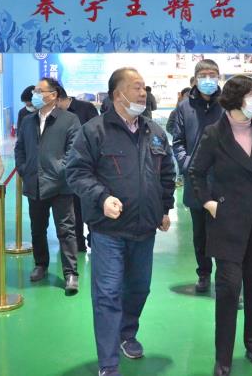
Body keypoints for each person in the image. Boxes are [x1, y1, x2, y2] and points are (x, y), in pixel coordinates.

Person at [66, 67, 175, 376]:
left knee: (139, 289)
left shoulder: (154, 131)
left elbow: (167, 173)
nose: (143, 93)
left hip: (145, 228)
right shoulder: (94, 131)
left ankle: (127, 333)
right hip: (108, 231)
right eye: (136, 87)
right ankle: (108, 363)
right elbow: (76, 172)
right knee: (108, 294)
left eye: (144, 87)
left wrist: (165, 208)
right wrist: (101, 198)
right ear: (118, 94)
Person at [189, 75, 252, 376]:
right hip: (228, 221)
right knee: (229, 289)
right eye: (251, 94)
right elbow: (196, 172)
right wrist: (208, 202)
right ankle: (223, 356)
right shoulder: (214, 133)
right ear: (235, 100)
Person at [14, 78, 81, 295]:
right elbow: (19, 148)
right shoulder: (27, 121)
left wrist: (60, 170)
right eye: (35, 90)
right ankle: (40, 264)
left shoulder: (69, 120)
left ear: (53, 95)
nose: (35, 94)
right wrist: (24, 169)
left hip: (61, 186)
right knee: (37, 228)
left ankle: (70, 273)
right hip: (35, 184)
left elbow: (74, 151)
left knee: (66, 230)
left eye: (39, 91)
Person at [172, 59, 225, 293]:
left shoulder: (228, 104)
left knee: (225, 231)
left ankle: (226, 277)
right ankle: (203, 274)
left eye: (213, 75)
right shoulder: (185, 107)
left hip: (224, 180)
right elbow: (177, 142)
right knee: (200, 233)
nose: (208, 79)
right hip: (196, 181)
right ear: (195, 79)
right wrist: (187, 165)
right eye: (204, 75)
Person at [56, 87, 99, 251]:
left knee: (91, 205)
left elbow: (97, 134)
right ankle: (78, 243)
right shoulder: (57, 115)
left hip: (89, 168)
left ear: (59, 99)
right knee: (73, 209)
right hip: (69, 169)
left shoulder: (86, 108)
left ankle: (94, 240)